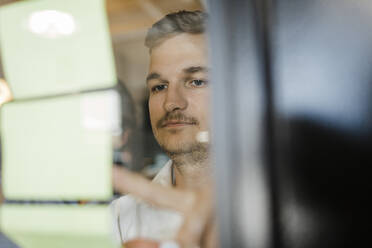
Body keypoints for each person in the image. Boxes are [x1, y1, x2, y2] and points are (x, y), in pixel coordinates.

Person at [111, 10, 217, 248]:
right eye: (159, 87)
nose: (171, 102)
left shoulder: (287, 208)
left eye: (196, 81)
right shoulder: (117, 219)